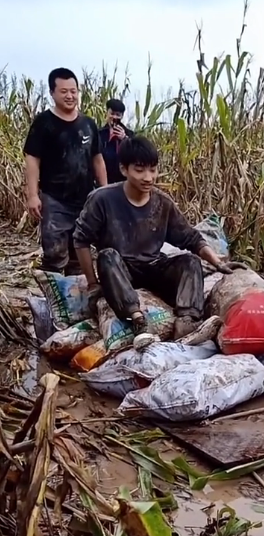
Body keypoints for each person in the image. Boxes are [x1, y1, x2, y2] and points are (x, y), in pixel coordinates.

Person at [72, 135, 244, 346]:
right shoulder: (102, 199)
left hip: (153, 267)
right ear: (124, 169)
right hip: (121, 271)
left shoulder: (162, 203)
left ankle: (188, 322)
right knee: (107, 256)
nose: (148, 177)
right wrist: (92, 283)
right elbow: (80, 239)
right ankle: (137, 320)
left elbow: (191, 237)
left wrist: (217, 262)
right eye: (140, 169)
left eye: (153, 169)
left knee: (189, 262)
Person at [24, 67, 108, 275]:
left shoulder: (88, 124)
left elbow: (97, 159)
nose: (70, 96)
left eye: (74, 91)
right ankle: (51, 299)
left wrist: (105, 192)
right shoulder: (44, 123)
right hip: (54, 200)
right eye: (64, 91)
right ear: (52, 93)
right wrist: (33, 195)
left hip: (85, 200)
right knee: (54, 254)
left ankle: (75, 301)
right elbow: (32, 158)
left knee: (80, 254)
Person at [99, 98, 134, 184]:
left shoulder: (130, 134)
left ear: (122, 116)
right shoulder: (99, 134)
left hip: (124, 180)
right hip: (105, 179)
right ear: (107, 113)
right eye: (112, 114)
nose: (114, 117)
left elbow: (136, 154)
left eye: (118, 115)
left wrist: (125, 138)